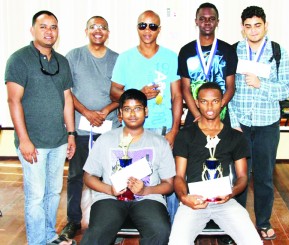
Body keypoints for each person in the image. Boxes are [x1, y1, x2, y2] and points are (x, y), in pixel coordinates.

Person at [5, 10, 76, 245]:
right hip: (33, 142)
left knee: (53, 193)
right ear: (32, 30)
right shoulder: (19, 59)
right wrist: (24, 140)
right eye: (43, 26)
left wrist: (71, 134)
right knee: (35, 196)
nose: (49, 31)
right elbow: (13, 100)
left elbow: (67, 100)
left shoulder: (62, 61)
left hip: (58, 140)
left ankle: (49, 236)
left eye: (53, 27)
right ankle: (36, 241)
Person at [110, 10, 182, 223]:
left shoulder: (170, 56)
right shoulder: (125, 58)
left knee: (168, 178)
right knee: (134, 177)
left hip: (162, 129)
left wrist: (174, 130)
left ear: (159, 29)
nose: (147, 30)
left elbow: (177, 96)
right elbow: (114, 92)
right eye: (143, 25)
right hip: (132, 131)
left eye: (152, 26)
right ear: (137, 28)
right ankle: (136, 220)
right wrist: (136, 92)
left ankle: (172, 225)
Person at [228, 6, 289, 240]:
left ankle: (263, 222)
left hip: (268, 123)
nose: (253, 30)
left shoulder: (277, 52)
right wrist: (233, 121)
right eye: (248, 26)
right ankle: (236, 223)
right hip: (241, 124)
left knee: (264, 176)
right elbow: (229, 89)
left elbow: (287, 89)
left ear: (265, 25)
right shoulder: (235, 51)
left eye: (258, 25)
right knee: (239, 176)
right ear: (242, 28)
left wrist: (261, 84)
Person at [169, 82, 262, 245]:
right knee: (177, 242)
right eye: (204, 101)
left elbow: (242, 177)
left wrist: (231, 193)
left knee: (253, 241)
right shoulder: (185, 135)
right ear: (197, 103)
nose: (209, 106)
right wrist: (184, 198)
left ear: (222, 102)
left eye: (215, 101)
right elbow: (179, 176)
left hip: (224, 201)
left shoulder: (236, 137)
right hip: (194, 201)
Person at [80, 89, 175, 245]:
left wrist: (146, 190)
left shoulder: (160, 143)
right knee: (96, 233)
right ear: (120, 113)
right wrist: (109, 189)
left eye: (137, 108)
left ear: (146, 111)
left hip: (148, 198)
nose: (132, 114)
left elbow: (169, 185)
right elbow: (88, 177)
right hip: (110, 198)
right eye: (127, 109)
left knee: (161, 231)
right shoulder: (105, 139)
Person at [60, 16, 120, 239]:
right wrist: (86, 112)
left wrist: (105, 111)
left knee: (110, 176)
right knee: (76, 175)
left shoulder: (117, 59)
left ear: (108, 32)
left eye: (103, 27)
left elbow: (122, 93)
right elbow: (67, 91)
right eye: (93, 27)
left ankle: (109, 221)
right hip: (81, 129)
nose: (98, 31)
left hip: (110, 128)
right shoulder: (74, 57)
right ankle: (73, 221)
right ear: (86, 31)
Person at [178, 2, 237, 127]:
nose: (207, 22)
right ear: (196, 21)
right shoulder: (186, 51)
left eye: (211, 19)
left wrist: (216, 111)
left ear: (217, 22)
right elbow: (185, 89)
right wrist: (198, 115)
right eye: (202, 19)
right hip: (194, 116)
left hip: (221, 115)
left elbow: (230, 87)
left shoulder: (228, 50)